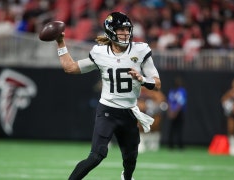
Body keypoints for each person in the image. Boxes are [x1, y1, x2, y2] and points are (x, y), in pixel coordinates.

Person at [55, 12, 161, 180]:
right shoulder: (100, 52)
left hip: (129, 112)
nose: (126, 34)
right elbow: (70, 68)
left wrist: (142, 79)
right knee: (97, 155)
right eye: (121, 30)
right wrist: (60, 42)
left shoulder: (140, 50)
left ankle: (126, 177)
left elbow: (157, 83)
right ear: (111, 31)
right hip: (108, 111)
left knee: (130, 158)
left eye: (127, 30)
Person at [137, 86, 166, 153]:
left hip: (152, 112)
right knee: (139, 126)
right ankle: (140, 143)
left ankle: (153, 143)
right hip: (141, 113)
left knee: (155, 126)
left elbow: (161, 101)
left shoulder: (155, 92)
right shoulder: (138, 90)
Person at [167, 76, 187, 150]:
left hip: (179, 113)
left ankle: (179, 144)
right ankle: (171, 144)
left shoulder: (182, 91)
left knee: (179, 129)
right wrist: (170, 112)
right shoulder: (172, 91)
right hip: (173, 112)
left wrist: (174, 112)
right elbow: (169, 101)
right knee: (172, 129)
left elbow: (181, 103)